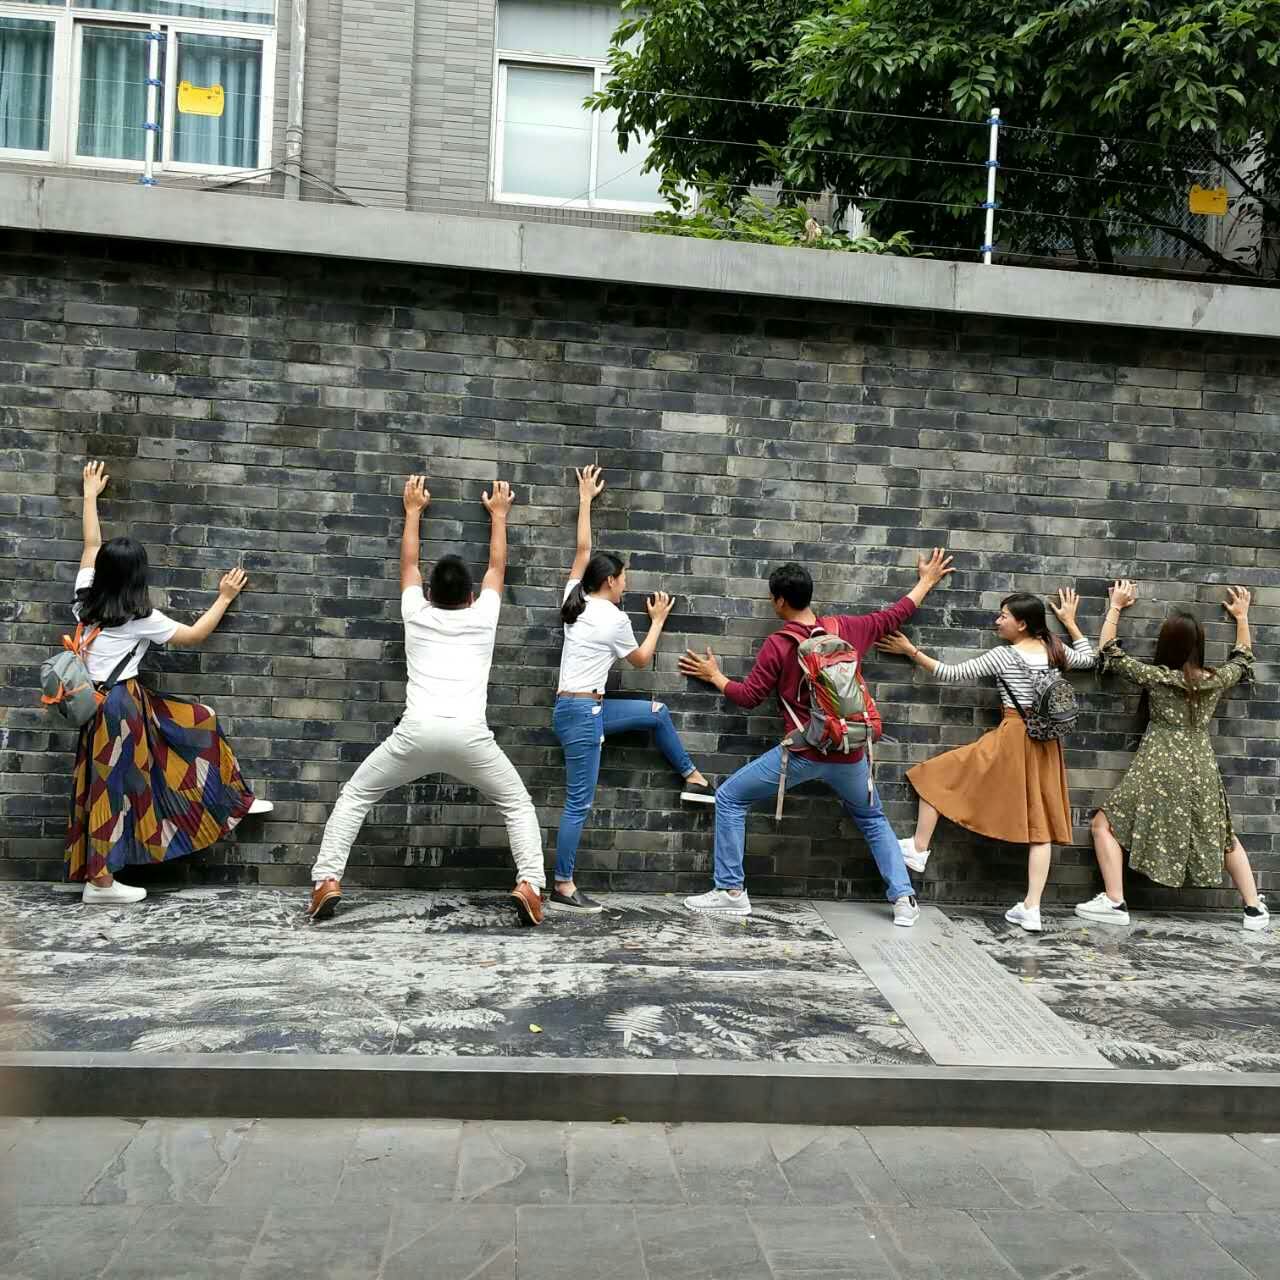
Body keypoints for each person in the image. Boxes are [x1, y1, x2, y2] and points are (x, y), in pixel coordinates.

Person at [307, 475, 546, 926]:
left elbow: (409, 564)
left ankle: (326, 881)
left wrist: (413, 511)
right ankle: (531, 886)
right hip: (471, 738)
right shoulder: (484, 617)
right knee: (517, 805)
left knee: (356, 794)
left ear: (430, 594)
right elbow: (497, 568)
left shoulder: (415, 613)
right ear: (471, 597)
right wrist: (499, 516)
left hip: (415, 734)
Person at [677, 550, 955, 924]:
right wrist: (927, 581)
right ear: (810, 596)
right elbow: (895, 615)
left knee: (729, 797)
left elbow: (749, 697)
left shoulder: (779, 644)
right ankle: (904, 901)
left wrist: (715, 676)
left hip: (802, 754)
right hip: (850, 752)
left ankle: (730, 892)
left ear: (779, 601)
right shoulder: (846, 629)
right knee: (873, 819)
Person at [66, 461, 271, 906]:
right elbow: (195, 636)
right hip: (118, 707)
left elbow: (91, 544)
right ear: (138, 577)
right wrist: (224, 597)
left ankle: (230, 797)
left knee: (197, 720)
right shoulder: (140, 617)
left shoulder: (84, 598)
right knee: (110, 788)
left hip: (108, 701)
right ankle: (99, 883)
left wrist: (90, 496)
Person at [877, 588, 1096, 933]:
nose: (997, 621)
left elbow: (950, 673)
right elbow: (1089, 658)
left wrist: (911, 651)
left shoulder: (1003, 656)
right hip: (1047, 743)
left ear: (1021, 624)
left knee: (935, 774)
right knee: (1041, 826)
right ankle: (1032, 908)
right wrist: (1070, 622)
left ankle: (919, 848)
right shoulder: (1055, 649)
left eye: (1004, 616)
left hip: (1013, 736)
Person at [551, 464, 714, 914]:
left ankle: (693, 779)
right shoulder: (613, 618)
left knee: (657, 713)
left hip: (582, 711)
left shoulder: (574, 598)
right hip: (583, 716)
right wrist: (657, 621)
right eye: (623, 578)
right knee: (578, 803)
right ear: (610, 581)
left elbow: (582, 549)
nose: (627, 584)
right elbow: (640, 660)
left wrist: (586, 500)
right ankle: (562, 885)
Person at [1075, 580, 1268, 931]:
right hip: (1200, 765)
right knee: (1222, 833)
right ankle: (1253, 909)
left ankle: (1115, 900)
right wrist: (1242, 617)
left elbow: (1109, 652)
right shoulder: (1215, 679)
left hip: (1158, 764)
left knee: (1105, 824)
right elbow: (1242, 659)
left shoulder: (1158, 677)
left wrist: (1116, 606)